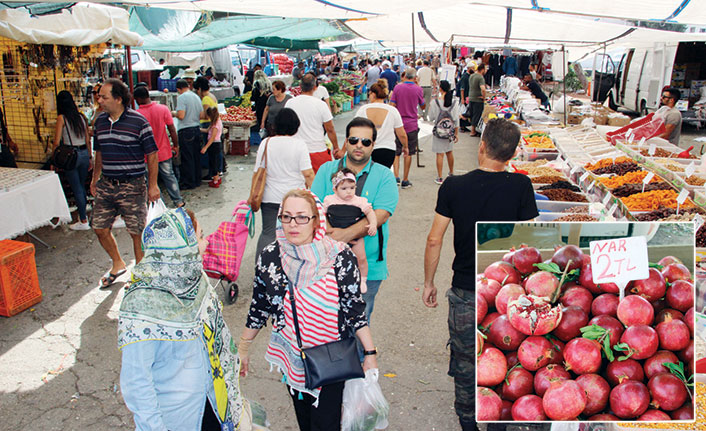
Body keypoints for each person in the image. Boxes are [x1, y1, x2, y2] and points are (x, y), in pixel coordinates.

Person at [422, 118, 538, 431]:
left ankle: (467, 419)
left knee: (465, 357)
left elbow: (435, 238)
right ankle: (497, 417)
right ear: (512, 155)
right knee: (502, 352)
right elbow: (528, 238)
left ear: (482, 146)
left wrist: (429, 282)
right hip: (504, 287)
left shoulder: (454, 186)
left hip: (465, 289)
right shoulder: (521, 185)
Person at [239, 189, 378, 431]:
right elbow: (259, 305)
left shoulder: (338, 255)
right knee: (305, 419)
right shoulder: (271, 256)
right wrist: (243, 347)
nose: (293, 224)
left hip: (332, 357)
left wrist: (370, 353)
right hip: (293, 356)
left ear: (316, 220)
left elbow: (354, 308)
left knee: (325, 423)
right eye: (286, 216)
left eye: (302, 217)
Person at [119, 208, 252, 431]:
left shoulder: (195, 280)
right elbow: (137, 382)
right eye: (199, 237)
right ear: (179, 247)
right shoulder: (140, 307)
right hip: (178, 418)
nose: (206, 243)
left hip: (214, 402)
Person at [311, 117, 399, 322]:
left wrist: (342, 235)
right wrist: (332, 235)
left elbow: (381, 213)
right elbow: (314, 208)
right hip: (325, 264)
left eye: (366, 142)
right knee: (325, 323)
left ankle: (361, 355)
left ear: (373, 145)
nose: (359, 145)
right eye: (354, 140)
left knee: (358, 323)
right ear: (346, 142)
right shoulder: (326, 170)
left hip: (368, 266)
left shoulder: (384, 176)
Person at [90, 78, 160, 288]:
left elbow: (153, 155)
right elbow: (99, 153)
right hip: (107, 183)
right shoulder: (100, 122)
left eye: (104, 96)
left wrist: (153, 185)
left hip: (133, 184)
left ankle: (139, 275)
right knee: (99, 227)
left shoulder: (138, 122)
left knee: (136, 231)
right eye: (99, 96)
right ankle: (118, 263)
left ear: (119, 99)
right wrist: (95, 179)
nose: (99, 100)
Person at [250, 108, 314, 257]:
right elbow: (308, 174)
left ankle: (261, 269)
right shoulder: (300, 145)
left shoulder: (266, 143)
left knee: (268, 233)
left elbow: (257, 172)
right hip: (294, 200)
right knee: (294, 235)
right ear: (296, 126)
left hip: (269, 197)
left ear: (276, 124)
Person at [323, 168, 377, 294]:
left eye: (352, 188)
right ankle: (330, 279)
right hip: (334, 236)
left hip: (356, 237)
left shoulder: (359, 201)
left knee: (361, 258)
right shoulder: (329, 200)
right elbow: (321, 215)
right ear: (335, 189)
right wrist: (326, 230)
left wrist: (373, 224)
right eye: (344, 188)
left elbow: (370, 212)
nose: (349, 192)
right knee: (330, 259)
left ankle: (363, 279)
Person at [134, 86, 184, 208]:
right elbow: (172, 129)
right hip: (164, 151)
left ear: (138, 99)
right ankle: (178, 201)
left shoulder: (137, 115)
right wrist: (176, 145)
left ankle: (160, 205)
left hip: (146, 156)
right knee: (169, 177)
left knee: (151, 181)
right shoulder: (163, 109)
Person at [285, 73, 341, 172]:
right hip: (317, 150)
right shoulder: (321, 105)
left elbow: (285, 127)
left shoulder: (290, 103)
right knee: (318, 183)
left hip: (295, 152)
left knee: (298, 184)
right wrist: (336, 148)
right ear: (315, 87)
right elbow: (330, 129)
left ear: (300, 86)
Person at [52, 90, 91, 230]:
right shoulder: (81, 117)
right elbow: (87, 139)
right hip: (84, 154)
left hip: (71, 156)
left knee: (77, 189)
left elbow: (56, 142)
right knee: (81, 185)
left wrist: (53, 159)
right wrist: (90, 157)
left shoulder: (62, 118)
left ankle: (83, 219)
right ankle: (84, 212)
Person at [354, 79, 408, 169]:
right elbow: (402, 134)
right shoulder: (393, 111)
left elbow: (353, 130)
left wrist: (344, 150)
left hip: (367, 149)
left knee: (367, 178)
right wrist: (405, 147)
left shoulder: (363, 109)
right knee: (382, 177)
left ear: (373, 94)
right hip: (387, 150)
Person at [390, 67, 425, 189]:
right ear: (415, 77)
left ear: (405, 76)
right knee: (408, 151)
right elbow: (423, 105)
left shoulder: (398, 88)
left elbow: (392, 104)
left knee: (396, 151)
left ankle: (395, 177)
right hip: (411, 124)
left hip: (398, 124)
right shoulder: (418, 89)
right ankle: (405, 179)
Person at [173, 79, 203, 190]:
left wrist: (173, 113)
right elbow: (201, 114)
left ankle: (189, 182)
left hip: (186, 130)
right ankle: (197, 180)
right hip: (196, 128)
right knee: (196, 156)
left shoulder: (182, 97)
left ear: (178, 89)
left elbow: (181, 115)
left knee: (187, 157)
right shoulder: (196, 96)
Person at [428, 81, 459, 184]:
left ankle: (440, 177)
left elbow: (431, 118)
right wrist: (456, 133)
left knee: (439, 154)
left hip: (439, 132)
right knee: (449, 152)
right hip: (450, 132)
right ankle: (451, 173)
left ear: (440, 89)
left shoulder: (435, 102)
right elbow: (456, 119)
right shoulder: (454, 102)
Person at [195, 76, 219, 168]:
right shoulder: (212, 96)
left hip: (206, 124)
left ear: (200, 89)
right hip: (212, 122)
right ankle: (217, 170)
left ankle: (209, 169)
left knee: (206, 148)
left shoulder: (205, 99)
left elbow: (205, 115)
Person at [200, 107, 223, 188]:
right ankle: (217, 178)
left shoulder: (215, 125)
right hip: (216, 144)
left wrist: (205, 147)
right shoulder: (216, 122)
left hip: (214, 145)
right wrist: (199, 129)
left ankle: (215, 180)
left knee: (213, 163)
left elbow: (213, 137)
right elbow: (207, 130)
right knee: (214, 161)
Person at [467, 63, 488, 136]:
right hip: (478, 99)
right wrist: (484, 97)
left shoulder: (471, 76)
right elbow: (483, 89)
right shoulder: (480, 77)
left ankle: (473, 130)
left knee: (473, 114)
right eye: (485, 69)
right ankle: (473, 131)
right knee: (477, 114)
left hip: (471, 97)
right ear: (482, 69)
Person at [252, 70, 272, 139]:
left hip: (260, 106)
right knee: (267, 121)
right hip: (268, 104)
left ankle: (263, 137)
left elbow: (254, 97)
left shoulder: (256, 83)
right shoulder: (269, 82)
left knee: (261, 122)